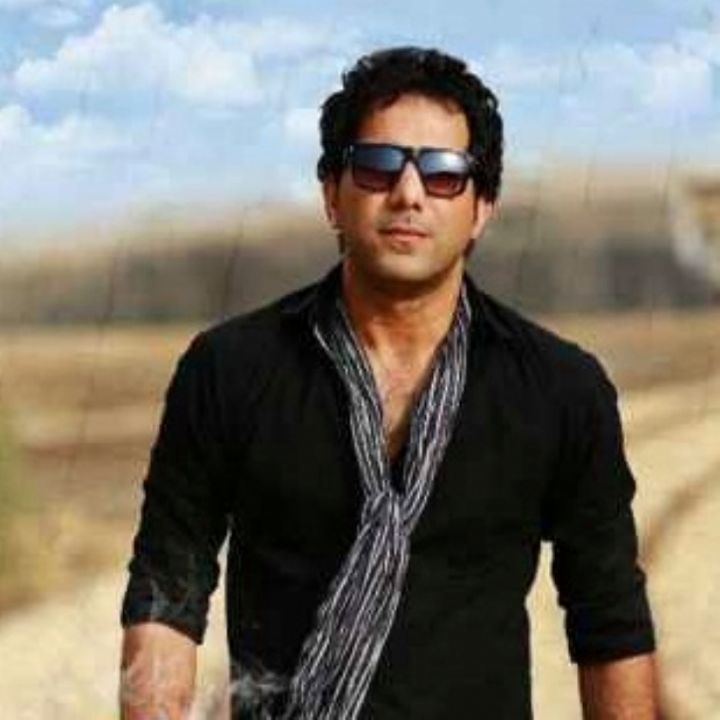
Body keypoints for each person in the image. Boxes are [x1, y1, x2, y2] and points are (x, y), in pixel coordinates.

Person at [119, 46, 658, 719]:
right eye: (378, 166)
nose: (408, 194)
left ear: (482, 207)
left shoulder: (559, 389)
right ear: (331, 195)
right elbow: (167, 591)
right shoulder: (229, 369)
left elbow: (609, 619)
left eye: (443, 174)